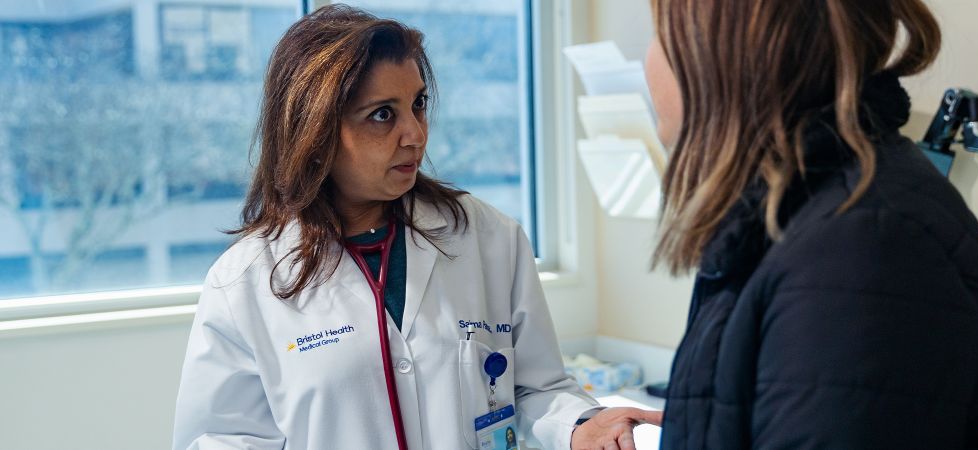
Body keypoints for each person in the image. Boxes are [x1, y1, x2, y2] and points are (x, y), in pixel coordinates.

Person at [172, 5, 658, 449]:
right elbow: (221, 439)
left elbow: (539, 387)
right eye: (383, 115)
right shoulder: (246, 283)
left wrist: (579, 426)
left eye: (418, 104)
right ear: (314, 132)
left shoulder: (488, 238)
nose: (416, 133)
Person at [643, 0, 978, 448]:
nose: (649, 62)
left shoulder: (856, 249)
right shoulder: (804, 220)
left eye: (662, 36)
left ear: (724, 55)